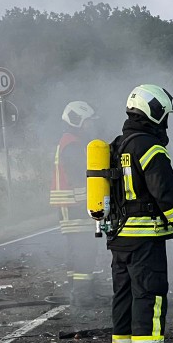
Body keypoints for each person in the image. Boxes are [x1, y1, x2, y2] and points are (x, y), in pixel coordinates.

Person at [106, 84, 173, 343]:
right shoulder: (149, 147)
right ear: (154, 112)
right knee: (149, 295)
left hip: (119, 236)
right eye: (164, 115)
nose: (166, 122)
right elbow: (165, 193)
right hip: (145, 237)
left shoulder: (117, 145)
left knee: (123, 296)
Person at [51, 101, 101, 306]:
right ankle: (82, 296)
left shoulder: (69, 142)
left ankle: (75, 291)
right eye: (88, 122)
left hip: (70, 205)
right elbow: (80, 178)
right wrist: (91, 204)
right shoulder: (73, 145)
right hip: (76, 205)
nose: (91, 126)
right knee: (84, 249)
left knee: (76, 249)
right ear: (77, 121)